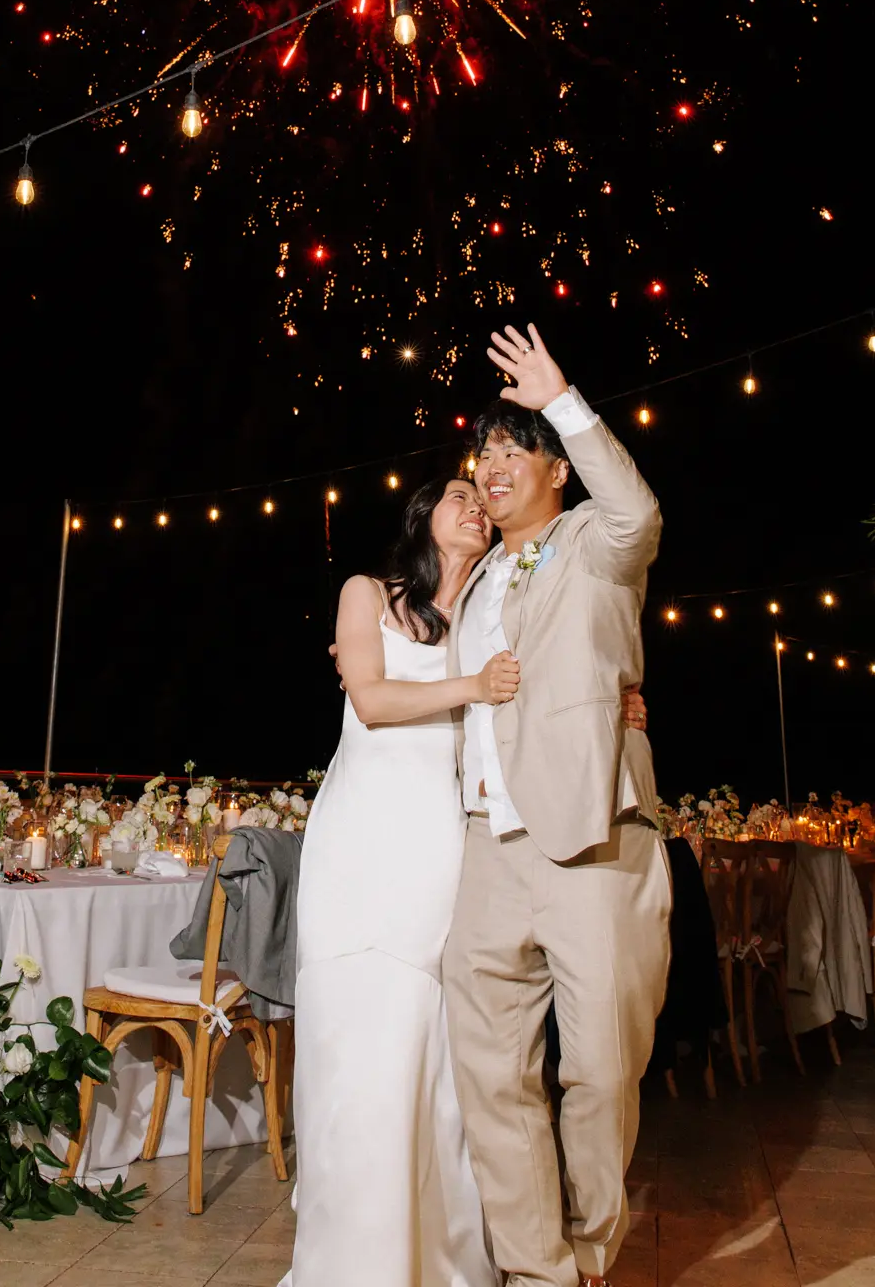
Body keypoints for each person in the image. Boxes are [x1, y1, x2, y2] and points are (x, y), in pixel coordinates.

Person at [282, 464, 648, 1287]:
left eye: (481, 502)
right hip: (361, 837)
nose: (475, 506)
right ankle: (353, 1260)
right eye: (457, 496)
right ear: (422, 517)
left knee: (433, 1044)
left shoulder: (488, 617)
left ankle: (441, 1257)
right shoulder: (365, 594)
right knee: (356, 1034)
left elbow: (556, 669)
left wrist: (617, 696)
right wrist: (475, 686)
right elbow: (371, 701)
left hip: (443, 843)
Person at [442, 322, 671, 1287]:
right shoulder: (478, 576)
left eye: (512, 447)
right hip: (488, 847)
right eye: (484, 450)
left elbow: (638, 509)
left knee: (601, 1070)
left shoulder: (596, 545)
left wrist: (560, 399)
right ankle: (537, 1270)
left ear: (554, 470)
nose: (493, 465)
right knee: (491, 1074)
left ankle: (590, 1251)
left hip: (591, 835)